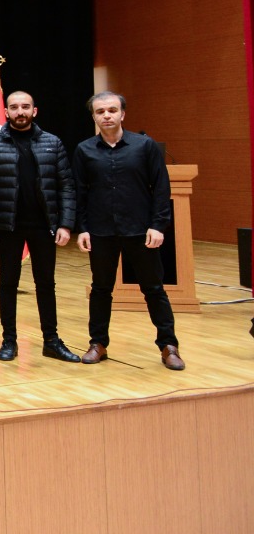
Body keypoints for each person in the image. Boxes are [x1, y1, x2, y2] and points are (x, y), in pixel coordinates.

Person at [0, 90, 82, 363]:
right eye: (14, 107)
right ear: (6, 112)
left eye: (25, 107)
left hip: (45, 226)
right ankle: (9, 341)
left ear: (35, 110)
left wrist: (66, 223)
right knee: (7, 283)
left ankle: (51, 341)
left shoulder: (53, 143)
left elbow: (66, 186)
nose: (20, 111)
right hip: (8, 226)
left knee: (46, 284)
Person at [74, 91, 183, 370]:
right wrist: (82, 228)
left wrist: (158, 225)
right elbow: (79, 192)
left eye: (112, 110)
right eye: (100, 112)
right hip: (100, 231)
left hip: (139, 230)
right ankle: (98, 343)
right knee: (100, 289)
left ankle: (169, 345)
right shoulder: (84, 150)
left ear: (123, 114)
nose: (106, 115)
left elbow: (160, 188)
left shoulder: (145, 146)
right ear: (94, 117)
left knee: (154, 289)